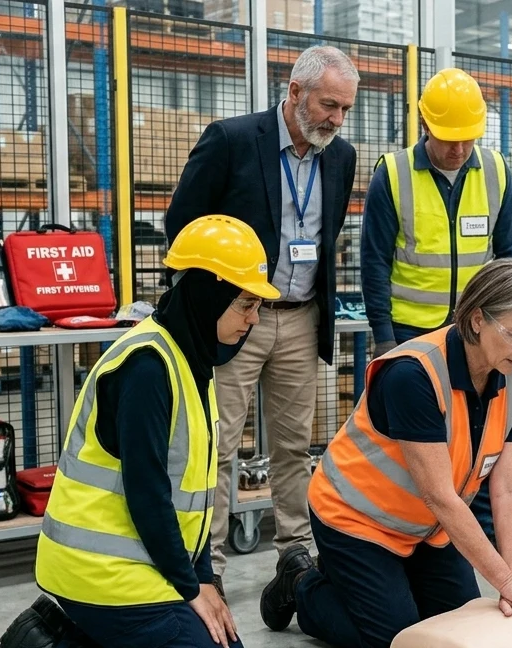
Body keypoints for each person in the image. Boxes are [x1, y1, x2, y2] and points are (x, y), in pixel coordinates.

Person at [0, 215, 281, 648]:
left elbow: (195, 500)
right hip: (100, 571)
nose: (254, 320)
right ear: (209, 294)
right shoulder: (147, 367)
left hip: (144, 563)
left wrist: (203, 577)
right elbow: (148, 494)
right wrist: (191, 588)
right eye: (245, 304)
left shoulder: (190, 359)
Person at [259, 259, 512, 648]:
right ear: (475, 320)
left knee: (461, 630)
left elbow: (507, 488)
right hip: (357, 520)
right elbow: (439, 495)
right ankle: (300, 582)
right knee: (398, 640)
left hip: (428, 529)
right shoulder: (413, 375)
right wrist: (502, 580)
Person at [163, 45, 360, 595]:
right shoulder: (231, 140)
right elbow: (181, 224)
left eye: (345, 109)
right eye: (328, 105)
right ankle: (210, 566)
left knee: (296, 445)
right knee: (217, 446)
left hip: (301, 318)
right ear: (294, 92)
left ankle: (295, 553)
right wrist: (209, 307)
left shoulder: (339, 157)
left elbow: (326, 239)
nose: (335, 119)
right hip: (235, 318)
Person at [360, 66, 512, 570]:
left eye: (468, 139)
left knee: (478, 445)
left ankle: (475, 547)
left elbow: (511, 257)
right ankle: (405, 539)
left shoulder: (495, 171)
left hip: (476, 340)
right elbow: (375, 262)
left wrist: (507, 329)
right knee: (417, 454)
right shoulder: (393, 174)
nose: (459, 150)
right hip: (413, 339)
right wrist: (386, 342)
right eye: (448, 139)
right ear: (424, 125)